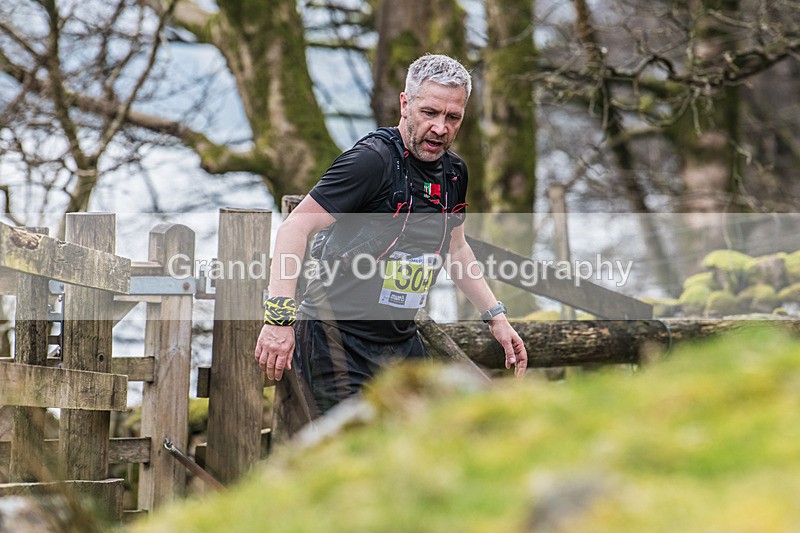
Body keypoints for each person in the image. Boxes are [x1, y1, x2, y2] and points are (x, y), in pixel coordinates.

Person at [255, 54, 527, 415]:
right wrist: (278, 320)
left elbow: (456, 249)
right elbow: (295, 227)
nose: (441, 128)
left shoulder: (455, 174)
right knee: (357, 455)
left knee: (419, 452)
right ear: (405, 104)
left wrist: (497, 318)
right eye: (429, 113)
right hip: (336, 339)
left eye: (453, 117)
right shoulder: (371, 161)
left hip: (400, 341)